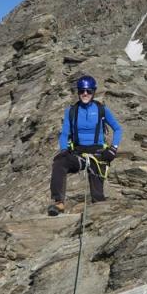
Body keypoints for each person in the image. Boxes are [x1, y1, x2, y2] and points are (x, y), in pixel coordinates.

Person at [49, 75, 122, 216]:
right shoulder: (71, 111)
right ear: (78, 92)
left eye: (88, 91)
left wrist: (113, 149)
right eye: (82, 90)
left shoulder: (101, 109)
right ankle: (59, 203)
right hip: (78, 153)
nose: (85, 94)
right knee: (59, 162)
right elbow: (64, 134)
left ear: (93, 92)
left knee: (98, 195)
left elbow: (118, 129)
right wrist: (64, 149)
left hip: (98, 153)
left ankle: (99, 209)